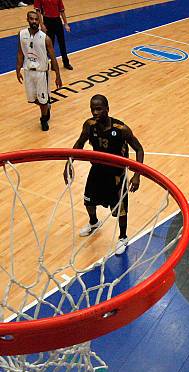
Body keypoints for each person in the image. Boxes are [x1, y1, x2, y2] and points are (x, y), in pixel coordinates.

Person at [63, 94, 144, 255]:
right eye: (92, 109)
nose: (95, 112)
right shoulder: (89, 125)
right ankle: (94, 223)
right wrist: (68, 163)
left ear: (107, 109)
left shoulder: (121, 129)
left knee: (120, 211)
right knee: (88, 201)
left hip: (116, 175)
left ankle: (122, 237)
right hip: (98, 170)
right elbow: (79, 143)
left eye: (99, 109)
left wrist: (137, 175)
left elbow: (139, 149)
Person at [16, 10, 62, 131]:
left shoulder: (45, 38)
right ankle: (47, 105)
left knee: (42, 101)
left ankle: (43, 118)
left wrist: (58, 75)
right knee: (33, 99)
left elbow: (53, 58)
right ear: (28, 20)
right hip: (28, 71)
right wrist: (18, 68)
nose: (34, 21)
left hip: (41, 72)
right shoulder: (21, 34)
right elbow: (20, 53)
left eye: (36, 19)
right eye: (32, 19)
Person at [34, 0, 72, 70]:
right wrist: (41, 24)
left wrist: (66, 24)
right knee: (50, 45)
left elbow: (62, 10)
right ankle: (52, 64)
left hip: (57, 21)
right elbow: (38, 11)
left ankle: (66, 63)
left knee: (62, 43)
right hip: (47, 21)